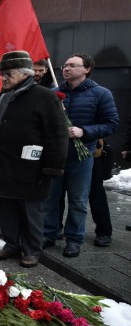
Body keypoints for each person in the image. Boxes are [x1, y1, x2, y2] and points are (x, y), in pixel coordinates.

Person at [0, 50, 68, 268]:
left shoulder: (45, 97)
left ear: (24, 73)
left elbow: (57, 135)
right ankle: (11, 245)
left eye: (8, 74)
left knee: (31, 213)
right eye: (1, 74)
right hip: (2, 166)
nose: (3, 78)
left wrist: (51, 168)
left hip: (31, 169)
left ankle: (31, 251)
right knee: (7, 210)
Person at [42, 53, 119, 256]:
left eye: (72, 65)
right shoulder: (54, 93)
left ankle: (74, 239)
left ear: (87, 69)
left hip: (83, 156)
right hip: (56, 154)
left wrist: (85, 131)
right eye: (64, 65)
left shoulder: (101, 94)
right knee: (51, 198)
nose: (66, 69)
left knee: (78, 200)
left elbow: (111, 124)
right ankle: (49, 234)